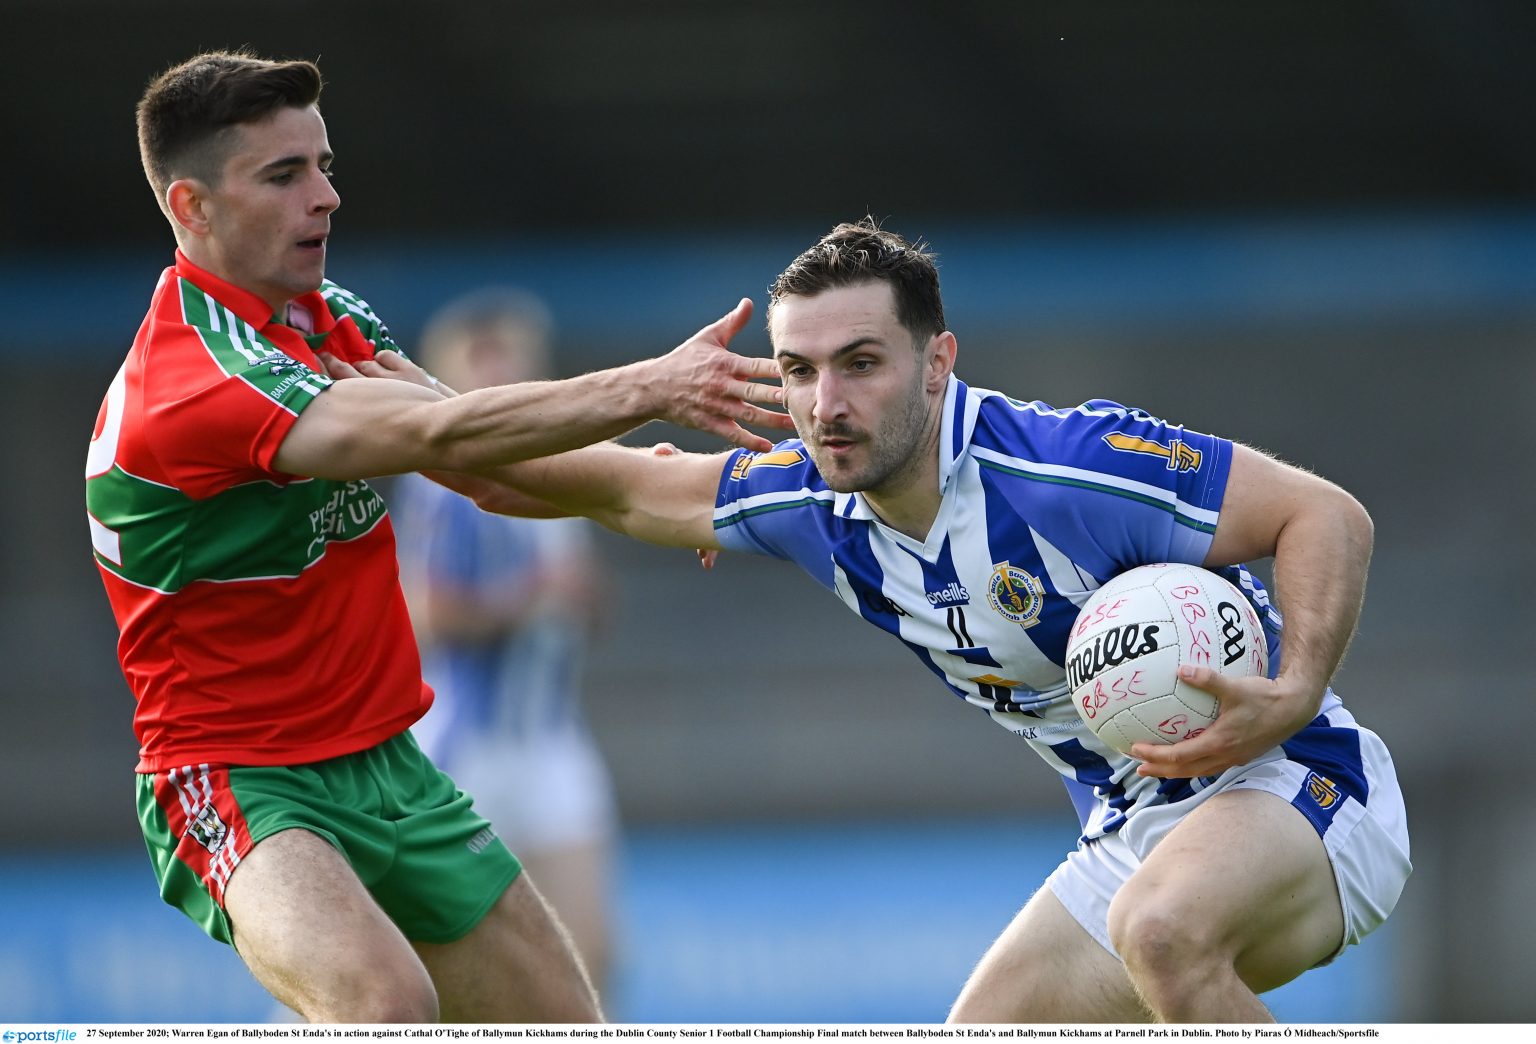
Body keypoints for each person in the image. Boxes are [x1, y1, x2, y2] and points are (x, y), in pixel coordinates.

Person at [340, 218, 1412, 1023]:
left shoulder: (1066, 464)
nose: (826, 404)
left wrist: (1291, 694)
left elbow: (1325, 515)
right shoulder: (802, 497)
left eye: (861, 363)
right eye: (799, 372)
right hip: (1134, 830)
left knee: (1163, 931)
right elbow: (573, 487)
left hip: (1303, 791)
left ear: (938, 361)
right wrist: (428, 418)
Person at [84, 51, 789, 1023]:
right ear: (192, 207)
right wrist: (652, 384)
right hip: (238, 779)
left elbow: (485, 470)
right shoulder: (197, 381)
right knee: (384, 1005)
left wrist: (686, 489)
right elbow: (437, 434)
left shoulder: (326, 321)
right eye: (284, 176)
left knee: (570, 1021)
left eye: (324, 165)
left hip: (391, 765)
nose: (325, 197)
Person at [391, 289, 621, 992]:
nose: (499, 373)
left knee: (594, 960)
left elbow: (583, 604)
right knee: (427, 968)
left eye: (511, 358)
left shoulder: (565, 469)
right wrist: (525, 602)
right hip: (466, 750)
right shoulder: (440, 486)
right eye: (480, 359)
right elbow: (421, 611)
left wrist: (583, 603)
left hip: (551, 742)